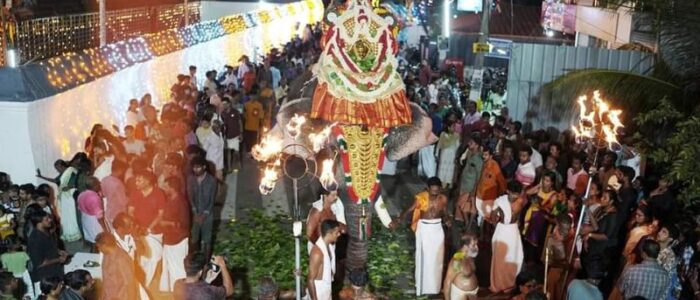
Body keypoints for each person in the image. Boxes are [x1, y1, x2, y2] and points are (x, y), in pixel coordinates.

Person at [398, 177, 450, 296]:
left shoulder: (443, 199)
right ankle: (421, 287)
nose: (434, 195)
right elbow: (409, 210)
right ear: (427, 189)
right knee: (424, 258)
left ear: (440, 190)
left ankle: (435, 288)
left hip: (437, 229)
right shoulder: (421, 198)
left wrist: (447, 219)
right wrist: (400, 218)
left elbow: (445, 213)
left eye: (437, 192)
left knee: (437, 259)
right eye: (432, 192)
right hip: (425, 229)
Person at [127, 171, 165, 287]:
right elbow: (130, 211)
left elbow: (161, 215)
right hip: (138, 230)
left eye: (139, 180)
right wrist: (138, 226)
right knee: (142, 257)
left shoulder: (159, 193)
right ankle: (142, 281)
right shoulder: (135, 193)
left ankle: (151, 280)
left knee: (155, 256)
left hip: (154, 231)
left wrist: (148, 229)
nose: (136, 183)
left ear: (148, 181)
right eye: (136, 180)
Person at [490, 181, 525, 293]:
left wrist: (516, 225)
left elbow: (518, 216)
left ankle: (509, 285)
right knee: (500, 260)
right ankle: (498, 285)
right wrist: (500, 227)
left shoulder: (520, 200)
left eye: (517, 194)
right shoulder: (500, 201)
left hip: (513, 231)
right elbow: (493, 217)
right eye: (513, 194)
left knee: (514, 257)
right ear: (508, 191)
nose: (515, 196)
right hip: (502, 231)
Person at [37, 160, 82, 242]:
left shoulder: (71, 170)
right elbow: (55, 180)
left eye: (57, 168)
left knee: (73, 216)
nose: (57, 170)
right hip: (64, 198)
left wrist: (69, 187)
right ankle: (70, 233)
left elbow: (78, 181)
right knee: (67, 216)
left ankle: (77, 233)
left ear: (62, 166)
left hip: (70, 197)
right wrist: (41, 176)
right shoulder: (62, 174)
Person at [159, 177, 190, 292]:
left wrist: (166, 223)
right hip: (169, 239)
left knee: (178, 268)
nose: (164, 188)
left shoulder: (180, 202)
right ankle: (174, 291)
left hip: (178, 241)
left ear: (172, 188)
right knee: (170, 268)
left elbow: (184, 224)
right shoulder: (170, 199)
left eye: (166, 186)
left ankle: (180, 292)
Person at [28, 211, 68, 296]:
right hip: (45, 278)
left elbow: (48, 247)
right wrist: (59, 259)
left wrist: (59, 251)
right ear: (39, 223)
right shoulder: (35, 239)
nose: (50, 220)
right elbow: (39, 263)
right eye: (47, 219)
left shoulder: (47, 231)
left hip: (55, 272)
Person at [188, 156, 218, 257]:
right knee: (194, 239)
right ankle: (195, 260)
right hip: (195, 214)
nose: (195, 169)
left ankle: (206, 262)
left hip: (207, 215)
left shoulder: (212, 180)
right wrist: (195, 214)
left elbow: (211, 200)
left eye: (198, 167)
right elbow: (190, 197)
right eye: (194, 167)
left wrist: (204, 215)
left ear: (204, 167)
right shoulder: (191, 179)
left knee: (207, 240)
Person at [95, 233, 138, 300]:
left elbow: (130, 284)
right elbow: (105, 278)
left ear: (104, 245)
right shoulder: (106, 254)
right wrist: (102, 295)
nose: (98, 249)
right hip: (108, 295)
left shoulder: (122, 259)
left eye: (98, 246)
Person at [307, 220, 342, 300]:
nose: (339, 234)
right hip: (318, 292)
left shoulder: (329, 246)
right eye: (336, 232)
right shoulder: (317, 252)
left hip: (326, 289)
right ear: (329, 233)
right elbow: (310, 279)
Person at [306, 187, 346, 254]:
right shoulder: (317, 210)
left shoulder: (335, 208)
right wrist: (322, 247)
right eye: (333, 195)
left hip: (331, 248)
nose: (336, 197)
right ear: (325, 195)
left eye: (336, 195)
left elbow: (342, 228)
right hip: (317, 248)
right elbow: (309, 234)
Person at [443, 233, 479, 299]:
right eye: (474, 245)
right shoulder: (457, 260)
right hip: (461, 296)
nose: (477, 247)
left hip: (472, 295)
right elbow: (447, 282)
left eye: (477, 244)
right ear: (465, 246)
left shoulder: (470, 256)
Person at [76, 177, 107, 249]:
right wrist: (104, 228)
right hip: (94, 221)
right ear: (94, 186)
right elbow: (99, 217)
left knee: (92, 240)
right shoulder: (95, 197)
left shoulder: (81, 194)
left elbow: (79, 208)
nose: (99, 185)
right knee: (100, 241)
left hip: (85, 218)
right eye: (98, 184)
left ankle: (93, 253)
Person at [100, 160, 129, 225]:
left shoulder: (105, 179)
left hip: (108, 212)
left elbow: (103, 194)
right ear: (120, 170)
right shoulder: (118, 183)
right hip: (117, 214)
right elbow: (123, 202)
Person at [221, 98, 242, 172]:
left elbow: (239, 122)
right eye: (223, 104)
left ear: (229, 104)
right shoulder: (222, 113)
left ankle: (237, 164)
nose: (224, 105)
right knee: (228, 151)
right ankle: (229, 167)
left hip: (236, 134)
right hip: (227, 135)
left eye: (226, 103)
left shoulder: (235, 111)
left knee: (236, 151)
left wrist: (240, 133)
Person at [436, 123, 460, 188]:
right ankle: (441, 185)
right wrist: (437, 155)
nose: (454, 129)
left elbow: (457, 147)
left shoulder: (457, 136)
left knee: (449, 171)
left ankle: (447, 186)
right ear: (448, 127)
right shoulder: (443, 134)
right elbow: (439, 145)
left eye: (454, 127)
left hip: (452, 156)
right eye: (452, 127)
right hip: (444, 156)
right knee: (442, 171)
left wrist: (456, 157)